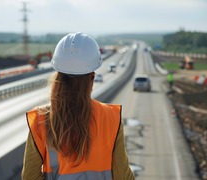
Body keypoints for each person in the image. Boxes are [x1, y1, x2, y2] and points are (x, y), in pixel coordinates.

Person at [21, 32, 135, 180]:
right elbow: (123, 176)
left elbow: (30, 176)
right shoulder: (111, 118)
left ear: (58, 76)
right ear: (92, 77)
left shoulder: (40, 120)